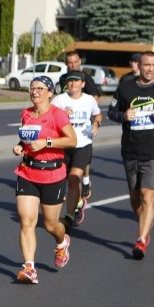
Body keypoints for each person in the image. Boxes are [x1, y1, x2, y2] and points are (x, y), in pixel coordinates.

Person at [12, 76, 77, 284]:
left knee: (50, 225)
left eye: (40, 88)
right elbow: (27, 139)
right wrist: (21, 146)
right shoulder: (26, 114)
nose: (35, 92)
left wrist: (48, 142)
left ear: (50, 92)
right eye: (32, 88)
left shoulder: (57, 116)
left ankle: (62, 241)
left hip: (52, 174)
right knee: (27, 220)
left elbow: (72, 140)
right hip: (27, 172)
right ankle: (29, 268)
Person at [107, 50, 154, 259]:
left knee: (147, 194)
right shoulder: (126, 87)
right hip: (131, 150)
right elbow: (111, 112)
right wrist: (123, 116)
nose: (150, 69)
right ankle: (145, 223)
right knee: (135, 198)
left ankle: (141, 240)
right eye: (147, 65)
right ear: (139, 66)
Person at [52, 70, 102, 232]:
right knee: (60, 180)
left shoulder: (89, 100)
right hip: (64, 145)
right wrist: (61, 115)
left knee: (74, 178)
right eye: (70, 81)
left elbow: (98, 115)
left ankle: (69, 216)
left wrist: (96, 125)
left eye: (76, 81)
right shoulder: (60, 99)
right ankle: (78, 202)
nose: (72, 84)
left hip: (83, 145)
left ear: (83, 84)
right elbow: (48, 117)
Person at [58, 50, 101, 199]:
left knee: (83, 157)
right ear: (66, 64)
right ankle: (64, 188)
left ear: (80, 62)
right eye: (70, 62)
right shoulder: (63, 78)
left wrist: (86, 110)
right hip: (67, 127)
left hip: (83, 127)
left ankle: (86, 181)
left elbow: (95, 97)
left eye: (75, 62)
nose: (73, 64)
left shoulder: (85, 78)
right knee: (65, 163)